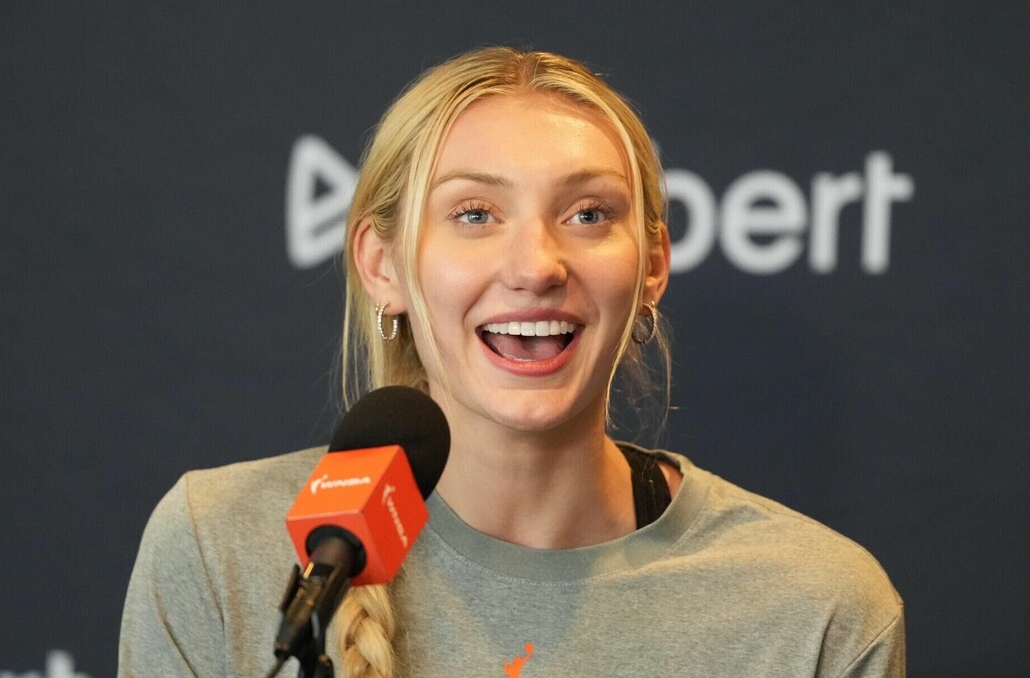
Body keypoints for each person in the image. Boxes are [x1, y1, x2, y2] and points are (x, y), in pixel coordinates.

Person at [119, 47, 904, 677]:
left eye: (588, 213)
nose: (536, 265)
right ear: (383, 265)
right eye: (475, 214)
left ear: (653, 267)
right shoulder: (218, 548)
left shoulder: (816, 607)